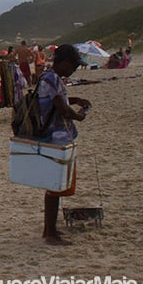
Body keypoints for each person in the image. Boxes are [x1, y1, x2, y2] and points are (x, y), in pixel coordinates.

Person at [38, 44, 90, 246]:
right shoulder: (51, 78)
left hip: (56, 136)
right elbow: (62, 109)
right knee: (54, 186)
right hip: (55, 137)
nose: (74, 70)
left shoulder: (52, 78)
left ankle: (49, 230)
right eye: (74, 66)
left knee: (56, 186)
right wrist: (79, 116)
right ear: (65, 63)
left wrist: (76, 99)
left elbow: (59, 100)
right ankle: (50, 233)